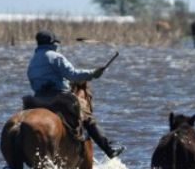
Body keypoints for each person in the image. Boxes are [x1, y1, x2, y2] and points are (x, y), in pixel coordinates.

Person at [27, 29, 125, 158]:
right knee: (87, 118)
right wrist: (93, 73)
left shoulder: (32, 60)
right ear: (52, 42)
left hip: (38, 98)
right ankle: (109, 148)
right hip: (59, 96)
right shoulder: (55, 56)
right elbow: (73, 75)